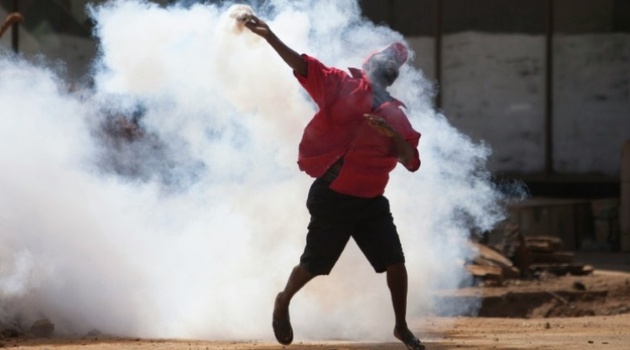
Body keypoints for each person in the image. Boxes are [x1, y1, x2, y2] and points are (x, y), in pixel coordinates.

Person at [244, 15, 425, 350]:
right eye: (384, 61)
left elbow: (411, 160)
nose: (389, 67)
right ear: (368, 65)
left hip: (371, 201)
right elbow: (303, 65)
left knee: (396, 263)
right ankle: (283, 300)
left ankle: (401, 326)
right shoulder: (340, 85)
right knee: (315, 265)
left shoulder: (396, 114)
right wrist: (270, 36)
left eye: (394, 66)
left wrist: (391, 135)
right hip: (333, 196)